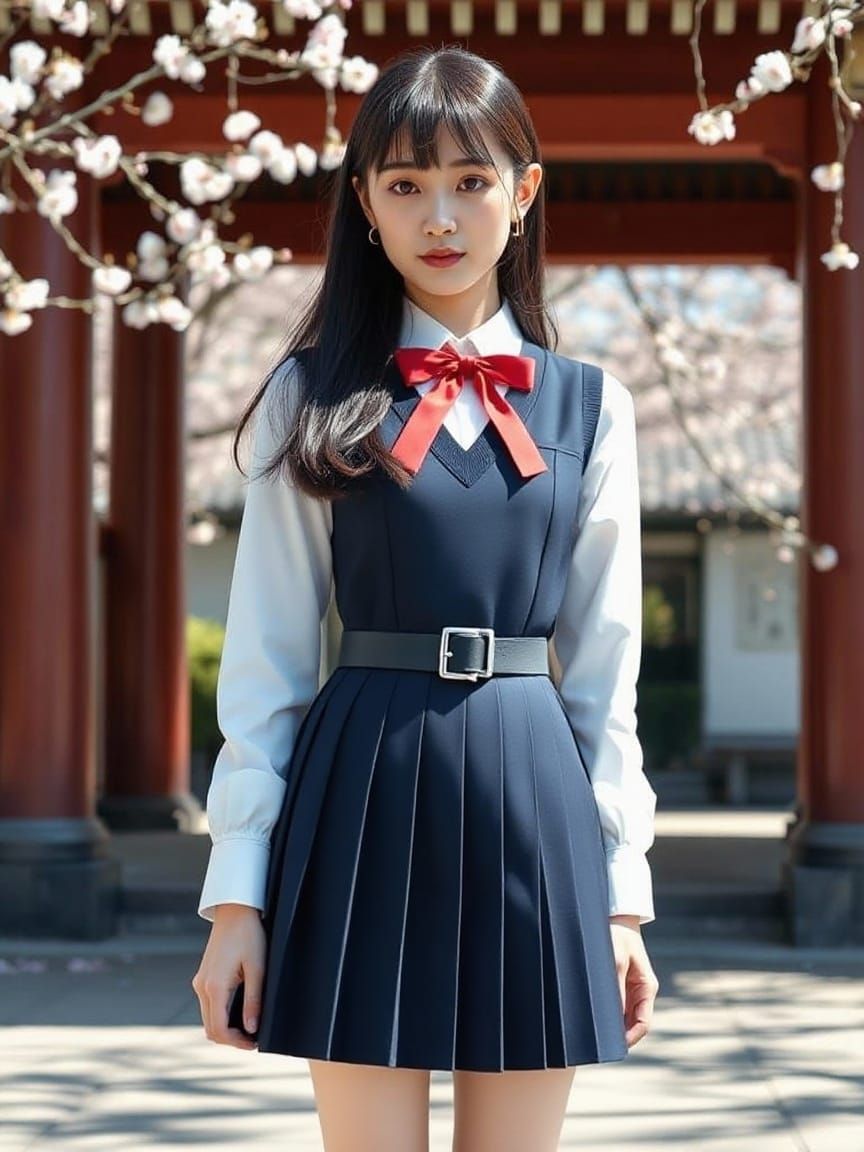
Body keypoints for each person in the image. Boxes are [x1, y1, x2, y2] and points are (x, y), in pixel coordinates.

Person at [191, 43, 660, 1152]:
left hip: (531, 800)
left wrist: (623, 896)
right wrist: (235, 902)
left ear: (525, 190)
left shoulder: (597, 410)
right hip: (358, 792)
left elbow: (606, 674)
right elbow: (266, 664)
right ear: (362, 204)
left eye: (470, 180)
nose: (439, 216)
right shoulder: (305, 400)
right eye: (404, 185)